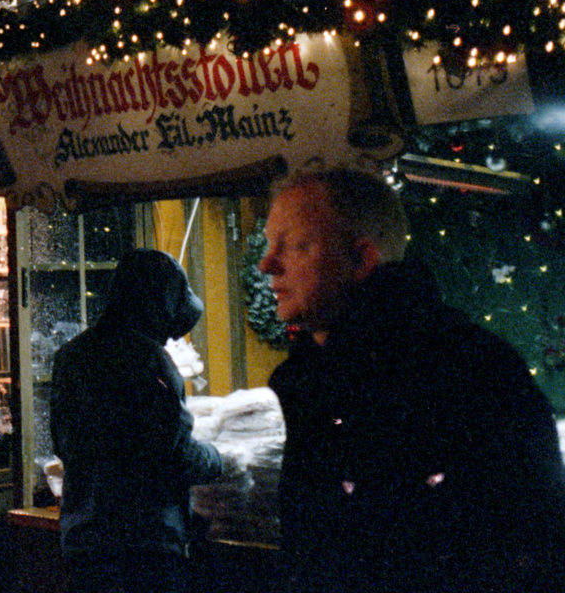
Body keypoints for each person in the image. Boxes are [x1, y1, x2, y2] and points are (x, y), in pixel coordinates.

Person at [262, 166, 565, 593]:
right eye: (268, 244)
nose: (267, 264)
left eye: (294, 246)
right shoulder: (313, 376)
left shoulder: (462, 370)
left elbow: (522, 540)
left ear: (362, 259)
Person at [48, 249, 225, 593]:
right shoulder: (150, 363)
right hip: (146, 550)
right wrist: (217, 458)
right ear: (158, 303)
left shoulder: (70, 356)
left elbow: (64, 444)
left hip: (84, 545)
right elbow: (173, 456)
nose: (171, 338)